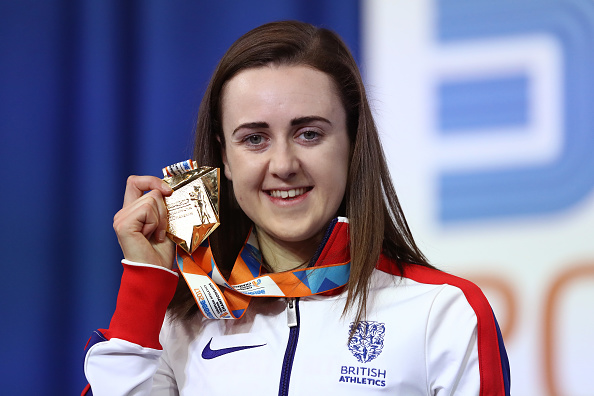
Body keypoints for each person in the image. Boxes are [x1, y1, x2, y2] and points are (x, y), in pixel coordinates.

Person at [82, 20, 511, 395]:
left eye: (309, 134)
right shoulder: (181, 326)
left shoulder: (443, 311)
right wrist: (147, 284)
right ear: (225, 159)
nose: (284, 165)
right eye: (254, 138)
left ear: (352, 143)